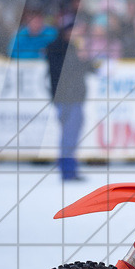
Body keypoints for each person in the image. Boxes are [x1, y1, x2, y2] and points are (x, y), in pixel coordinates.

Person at [45, 19, 97, 181]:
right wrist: (81, 57)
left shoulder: (72, 48)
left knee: (71, 135)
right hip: (67, 99)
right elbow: (66, 71)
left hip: (73, 99)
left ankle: (69, 169)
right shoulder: (56, 48)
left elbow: (90, 68)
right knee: (69, 135)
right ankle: (67, 171)